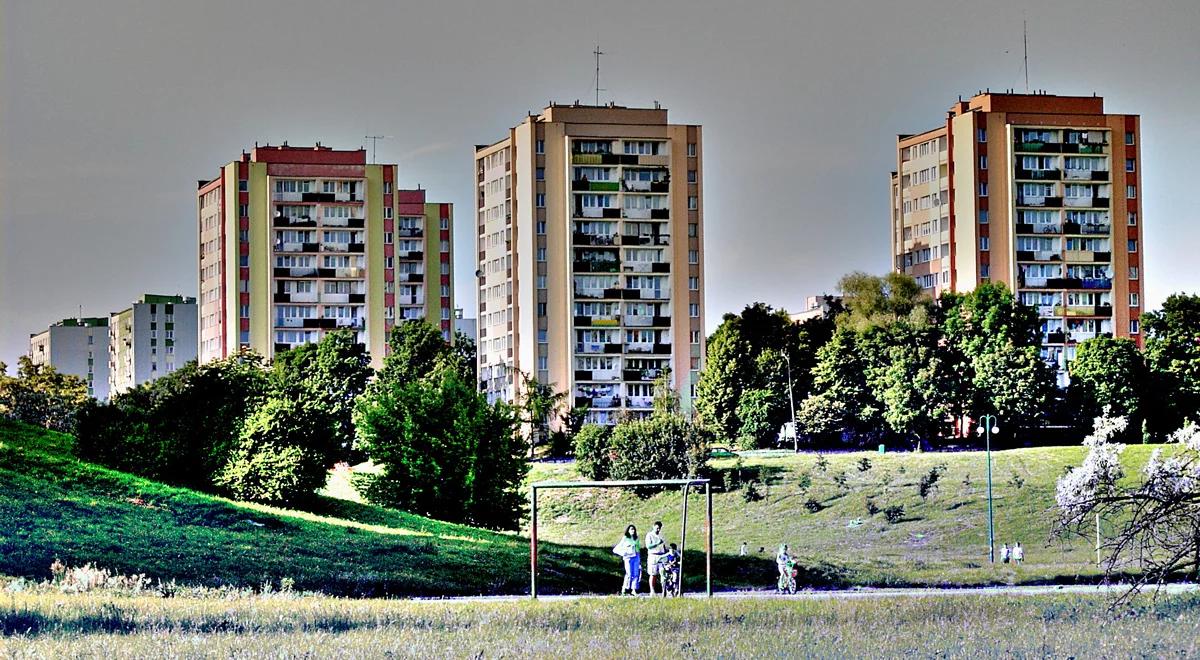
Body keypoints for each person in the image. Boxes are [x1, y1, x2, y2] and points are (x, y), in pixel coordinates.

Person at [613, 524, 641, 595]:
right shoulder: (625, 538)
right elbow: (616, 548)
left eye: (634, 529)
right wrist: (623, 553)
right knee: (629, 573)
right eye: (631, 529)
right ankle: (624, 589)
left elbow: (638, 549)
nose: (633, 530)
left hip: (636, 557)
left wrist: (639, 559)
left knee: (636, 573)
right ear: (628, 530)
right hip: (628, 558)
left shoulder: (636, 538)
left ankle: (633, 589)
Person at [645, 521, 668, 596]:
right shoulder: (649, 535)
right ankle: (652, 591)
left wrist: (666, 554)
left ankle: (664, 590)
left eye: (659, 528)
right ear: (653, 526)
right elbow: (648, 546)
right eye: (657, 528)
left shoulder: (661, 535)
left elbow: (664, 546)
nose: (658, 530)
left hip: (661, 555)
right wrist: (657, 543)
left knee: (663, 573)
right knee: (653, 574)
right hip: (653, 555)